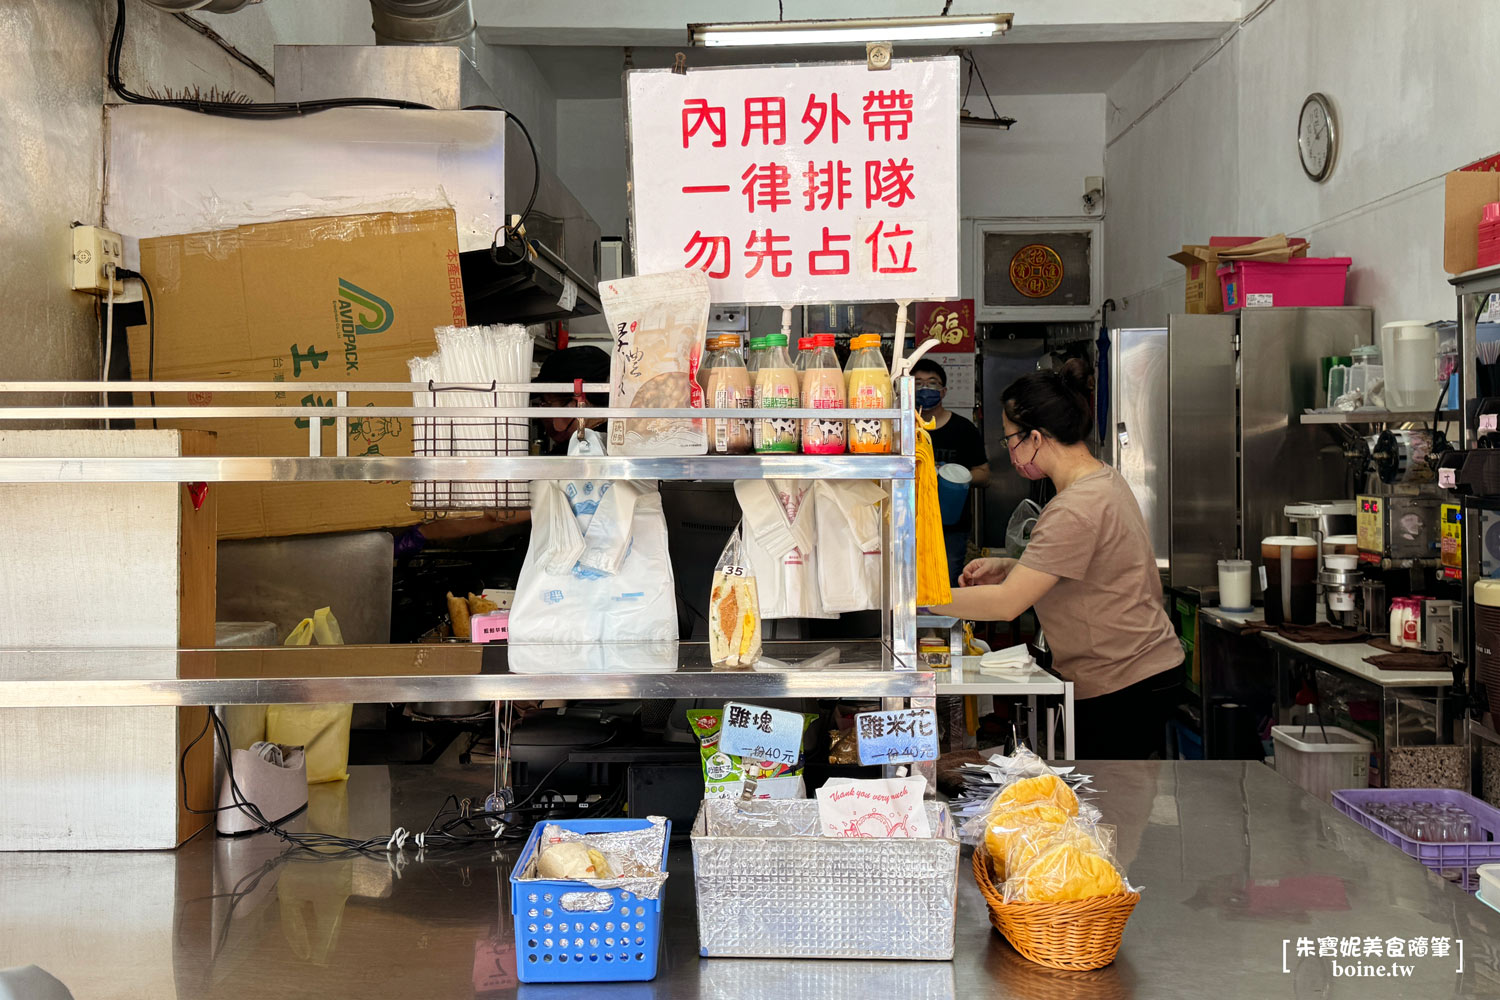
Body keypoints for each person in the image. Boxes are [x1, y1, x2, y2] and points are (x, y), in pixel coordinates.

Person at [928, 358, 1182, 760]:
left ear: (1036, 437)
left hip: (1123, 680)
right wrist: (1013, 567)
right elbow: (1088, 565)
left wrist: (912, 599)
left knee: (1113, 809)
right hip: (1141, 669)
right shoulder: (1102, 479)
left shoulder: (1076, 505)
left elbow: (1007, 604)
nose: (1010, 451)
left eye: (1010, 439)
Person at [395, 345, 612, 552]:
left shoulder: (582, 453)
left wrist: (420, 534)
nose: (543, 415)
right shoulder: (610, 437)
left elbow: (500, 513)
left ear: (576, 402)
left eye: (547, 404)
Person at [910, 357, 989, 584]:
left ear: (943, 391)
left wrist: (955, 476)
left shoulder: (963, 430)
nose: (925, 389)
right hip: (908, 525)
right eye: (918, 383)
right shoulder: (900, 427)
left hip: (951, 528)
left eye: (932, 383)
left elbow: (985, 475)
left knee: (945, 588)